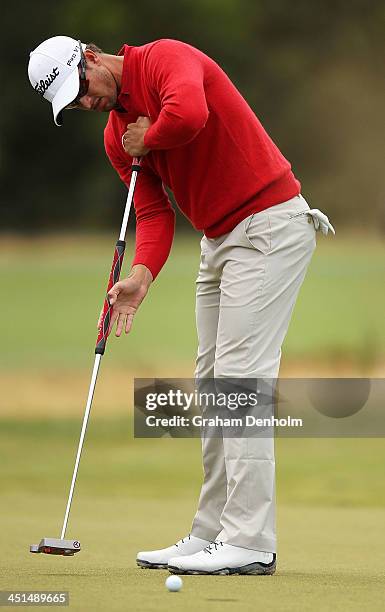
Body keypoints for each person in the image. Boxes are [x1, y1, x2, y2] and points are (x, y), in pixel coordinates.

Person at [28, 35, 334, 576]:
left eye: (82, 89)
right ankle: (212, 531)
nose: (86, 102)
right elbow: (153, 215)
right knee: (212, 379)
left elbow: (189, 114)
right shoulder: (119, 139)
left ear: (92, 58)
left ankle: (250, 540)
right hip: (219, 241)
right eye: (73, 104)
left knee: (240, 381)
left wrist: (150, 136)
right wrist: (141, 275)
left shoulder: (164, 59)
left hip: (269, 226)